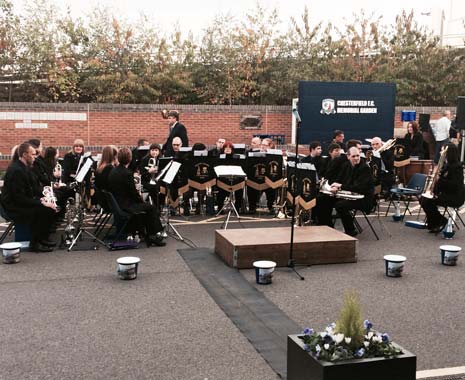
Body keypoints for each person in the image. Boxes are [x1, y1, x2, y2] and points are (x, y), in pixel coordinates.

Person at [1, 142, 57, 252]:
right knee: (44, 210)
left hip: (20, 202)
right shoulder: (17, 170)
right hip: (13, 206)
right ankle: (35, 243)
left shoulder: (25, 168)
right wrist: (41, 203)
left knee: (49, 207)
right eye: (33, 154)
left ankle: (41, 238)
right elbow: (19, 198)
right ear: (24, 154)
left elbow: (34, 188)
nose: (35, 157)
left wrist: (45, 196)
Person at [107, 148, 166, 247]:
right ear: (129, 159)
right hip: (126, 206)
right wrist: (141, 200)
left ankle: (148, 234)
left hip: (117, 203)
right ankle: (154, 235)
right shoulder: (127, 173)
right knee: (151, 208)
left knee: (146, 207)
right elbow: (133, 194)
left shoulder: (113, 171)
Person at [316, 146, 374, 236]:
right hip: (348, 195)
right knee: (322, 198)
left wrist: (341, 186)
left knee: (340, 205)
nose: (356, 158)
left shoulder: (364, 168)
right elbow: (339, 180)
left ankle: (350, 230)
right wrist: (335, 187)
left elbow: (359, 188)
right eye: (353, 156)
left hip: (363, 199)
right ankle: (327, 227)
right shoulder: (346, 165)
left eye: (358, 156)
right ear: (348, 157)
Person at [421, 143, 465, 233]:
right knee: (423, 199)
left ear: (448, 153)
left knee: (428, 201)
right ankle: (435, 222)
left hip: (454, 196)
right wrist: (434, 190)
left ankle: (440, 221)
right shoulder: (446, 165)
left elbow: (454, 185)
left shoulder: (457, 167)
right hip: (446, 193)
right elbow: (442, 182)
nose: (441, 152)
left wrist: (439, 180)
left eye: (443, 151)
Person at [217, 141, 244, 213]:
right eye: (226, 148)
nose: (227, 149)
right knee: (221, 191)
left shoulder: (237, 158)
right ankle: (220, 208)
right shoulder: (219, 158)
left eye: (229, 148)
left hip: (236, 179)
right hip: (223, 179)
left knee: (239, 189)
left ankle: (237, 208)